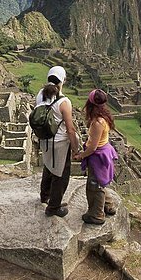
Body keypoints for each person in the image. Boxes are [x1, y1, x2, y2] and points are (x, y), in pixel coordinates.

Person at [36, 66, 79, 218]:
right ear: (63, 81)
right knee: (61, 174)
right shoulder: (64, 102)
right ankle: (53, 207)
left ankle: (45, 196)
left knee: (48, 165)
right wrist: (75, 148)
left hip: (44, 140)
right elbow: (70, 129)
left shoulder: (40, 95)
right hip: (60, 144)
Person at [74, 89, 117, 225]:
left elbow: (92, 147)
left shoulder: (98, 123)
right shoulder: (104, 117)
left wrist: (81, 155)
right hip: (103, 151)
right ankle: (109, 206)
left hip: (98, 156)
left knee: (94, 186)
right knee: (99, 183)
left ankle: (97, 215)